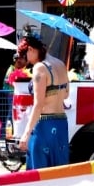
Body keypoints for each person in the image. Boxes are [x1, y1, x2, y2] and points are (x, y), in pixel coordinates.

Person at [16, 32, 70, 169]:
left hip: (44, 126)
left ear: (31, 50)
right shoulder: (61, 64)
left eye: (25, 55)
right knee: (59, 172)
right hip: (61, 123)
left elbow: (38, 104)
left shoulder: (39, 68)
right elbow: (66, 94)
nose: (26, 60)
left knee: (39, 176)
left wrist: (26, 133)